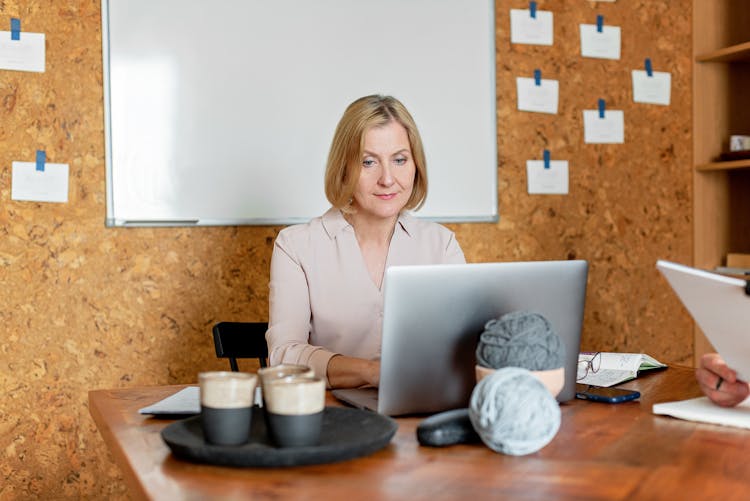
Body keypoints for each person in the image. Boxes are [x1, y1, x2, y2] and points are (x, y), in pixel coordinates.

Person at [265, 95, 466, 389]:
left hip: (421, 412)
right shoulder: (296, 247)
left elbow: (464, 343)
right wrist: (370, 372)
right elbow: (283, 355)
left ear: (415, 165)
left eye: (399, 160)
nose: (387, 178)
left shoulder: (441, 245)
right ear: (344, 168)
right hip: (333, 418)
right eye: (368, 162)